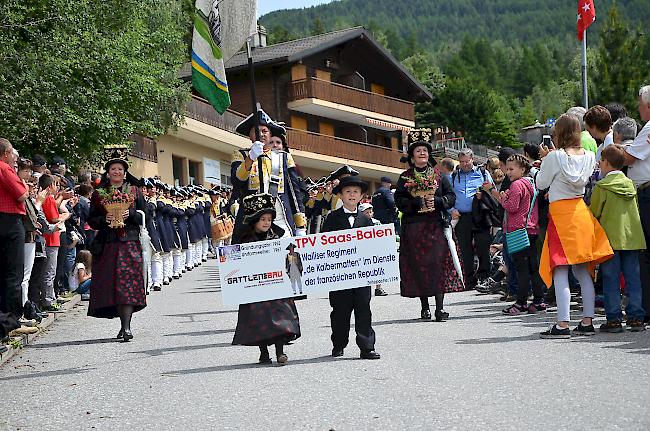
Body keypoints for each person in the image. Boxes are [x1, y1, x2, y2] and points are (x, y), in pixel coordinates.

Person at [536, 114, 613, 339]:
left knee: (560, 268)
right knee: (582, 270)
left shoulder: (555, 157)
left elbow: (540, 183)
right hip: (581, 212)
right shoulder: (590, 155)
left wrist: (545, 161)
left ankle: (562, 323)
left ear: (559, 133)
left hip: (561, 215)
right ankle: (587, 321)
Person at [395, 134, 462, 320]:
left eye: (425, 150)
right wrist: (416, 203)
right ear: (412, 156)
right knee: (419, 266)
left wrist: (438, 201)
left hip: (436, 226)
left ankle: (439, 308)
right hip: (415, 228)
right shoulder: (405, 177)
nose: (422, 153)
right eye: (418, 151)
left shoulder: (439, 176)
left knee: (437, 266)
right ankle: (425, 307)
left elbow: (451, 197)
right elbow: (399, 201)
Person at [232, 193, 300, 365]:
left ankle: (280, 352)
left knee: (281, 318)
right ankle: (263, 353)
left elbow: (289, 258)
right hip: (255, 290)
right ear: (254, 220)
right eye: (262, 219)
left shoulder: (277, 239)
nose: (266, 222)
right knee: (258, 321)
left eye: (269, 219)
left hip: (276, 288)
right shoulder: (244, 242)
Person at [87, 151, 147, 341]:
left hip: (129, 242)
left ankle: (127, 327)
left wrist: (132, 215)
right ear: (107, 172)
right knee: (113, 284)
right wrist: (105, 218)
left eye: (120, 169)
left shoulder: (134, 191)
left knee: (127, 283)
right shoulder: (99, 194)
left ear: (125, 172)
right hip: (108, 243)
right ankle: (122, 324)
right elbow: (92, 219)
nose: (117, 172)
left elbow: (146, 215)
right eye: (113, 169)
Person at [321, 175, 380, 360]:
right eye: (347, 192)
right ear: (340, 196)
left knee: (364, 309)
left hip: (362, 276)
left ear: (361, 196)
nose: (352, 195)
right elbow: (323, 244)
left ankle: (367, 346)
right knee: (340, 311)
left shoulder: (366, 219)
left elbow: (373, 246)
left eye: (356, 192)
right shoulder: (332, 218)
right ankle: (338, 344)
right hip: (340, 276)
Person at [590, 145, 646, 332]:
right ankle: (636, 316)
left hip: (610, 239)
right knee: (633, 279)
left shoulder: (602, 186)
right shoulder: (631, 184)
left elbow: (595, 211)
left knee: (611, 278)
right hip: (632, 238)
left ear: (605, 162)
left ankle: (613, 318)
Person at [231, 109, 306, 242]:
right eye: (256, 131)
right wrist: (251, 157)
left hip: (280, 217)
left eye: (265, 131)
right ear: (250, 136)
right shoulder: (241, 155)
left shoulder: (284, 157)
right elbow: (237, 181)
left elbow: (294, 192)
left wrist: (300, 225)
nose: (261, 134)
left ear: (270, 134)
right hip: (252, 220)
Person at [484, 155, 546, 315]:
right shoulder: (531, 182)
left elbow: (511, 207)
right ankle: (539, 300)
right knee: (533, 267)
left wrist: (500, 196)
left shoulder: (517, 185)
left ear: (522, 169)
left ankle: (521, 303)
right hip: (531, 228)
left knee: (521, 269)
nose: (508, 172)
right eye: (508, 169)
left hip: (518, 229)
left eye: (512, 169)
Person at [623, 84, 650, 323]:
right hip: (644, 190)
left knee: (645, 251)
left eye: (641, 105)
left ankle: (646, 307)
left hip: (647, 192)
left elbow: (630, 157)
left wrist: (617, 147)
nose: (639, 109)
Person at [450, 148, 495, 288]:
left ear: (472, 159)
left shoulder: (482, 173)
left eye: (467, 161)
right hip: (461, 216)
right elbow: (448, 195)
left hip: (480, 215)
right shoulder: (453, 176)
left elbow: (492, 191)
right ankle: (469, 280)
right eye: (462, 162)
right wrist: (451, 210)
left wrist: (484, 194)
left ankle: (484, 276)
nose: (464, 164)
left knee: (483, 246)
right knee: (465, 249)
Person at [0, 138, 29, 323]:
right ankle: (11, 320)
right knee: (14, 273)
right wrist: (25, 185)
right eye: (12, 153)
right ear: (5, 154)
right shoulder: (4, 168)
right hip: (9, 221)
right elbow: (22, 195)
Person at [358, 202, 388, 297]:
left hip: (375, 248)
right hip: (363, 249)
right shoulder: (357, 223)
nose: (369, 214)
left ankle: (378, 288)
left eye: (370, 212)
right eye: (366, 212)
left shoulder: (376, 222)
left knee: (378, 267)